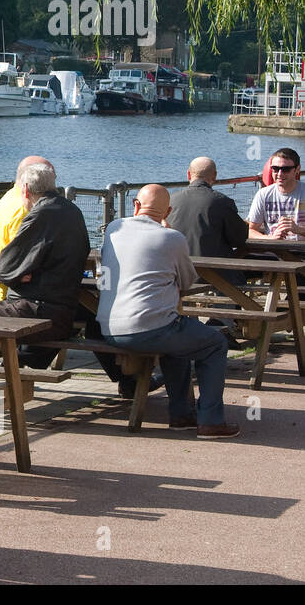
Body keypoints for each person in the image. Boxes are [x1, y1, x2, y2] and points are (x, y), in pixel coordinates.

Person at [97, 184, 239, 438]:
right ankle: (210, 421)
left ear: (135, 205)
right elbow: (186, 283)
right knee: (215, 343)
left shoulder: (113, 229)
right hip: (149, 329)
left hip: (108, 328)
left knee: (180, 340)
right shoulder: (172, 238)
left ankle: (182, 414)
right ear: (169, 212)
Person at [0, 161, 89, 368]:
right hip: (58, 311)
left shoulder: (40, 215)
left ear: (25, 190)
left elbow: (7, 268)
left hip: (37, 312)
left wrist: (22, 274)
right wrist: (24, 273)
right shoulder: (72, 211)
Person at [0, 156, 52, 302]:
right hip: (14, 296)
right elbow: (23, 261)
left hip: (3, 289)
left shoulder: (9, 196)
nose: (52, 186)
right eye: (47, 178)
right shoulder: (24, 209)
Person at [168, 157, 249, 262]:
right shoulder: (222, 202)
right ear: (214, 176)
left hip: (178, 271)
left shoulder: (171, 200)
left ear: (188, 174)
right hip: (215, 273)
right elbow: (239, 239)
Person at [248, 147, 304, 239]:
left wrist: (298, 229)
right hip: (272, 250)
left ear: (297, 169)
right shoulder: (263, 194)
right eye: (275, 169)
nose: (280, 174)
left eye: (286, 169)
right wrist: (270, 238)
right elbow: (250, 231)